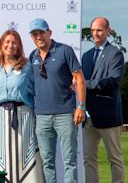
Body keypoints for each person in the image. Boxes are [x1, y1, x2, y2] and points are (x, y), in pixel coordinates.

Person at [28, 18, 86, 183]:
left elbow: (79, 79)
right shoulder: (33, 56)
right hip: (42, 116)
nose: (38, 36)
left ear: (49, 32)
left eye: (41, 32)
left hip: (65, 114)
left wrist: (81, 106)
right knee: (47, 162)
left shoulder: (65, 50)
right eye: (34, 34)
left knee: (69, 161)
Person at [0, 30, 43, 182]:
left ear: (19, 46)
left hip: (23, 116)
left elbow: (41, 87)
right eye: (7, 42)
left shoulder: (27, 66)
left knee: (23, 155)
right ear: (1, 45)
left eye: (14, 42)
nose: (10, 45)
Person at [81, 17, 125, 183]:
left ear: (108, 31)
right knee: (88, 159)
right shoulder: (86, 56)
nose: (95, 33)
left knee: (114, 158)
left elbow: (113, 81)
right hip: (88, 116)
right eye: (93, 30)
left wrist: (85, 84)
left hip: (108, 115)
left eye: (99, 30)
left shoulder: (115, 54)